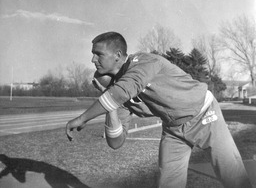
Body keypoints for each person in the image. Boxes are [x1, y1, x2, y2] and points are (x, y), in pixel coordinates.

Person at [66, 31, 252, 188]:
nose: (93, 59)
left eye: (98, 54)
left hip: (204, 114)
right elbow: (116, 142)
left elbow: (121, 91)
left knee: (233, 177)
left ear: (118, 54)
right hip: (174, 128)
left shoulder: (143, 62)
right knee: (168, 183)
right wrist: (110, 107)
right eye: (92, 54)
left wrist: (82, 118)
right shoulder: (117, 92)